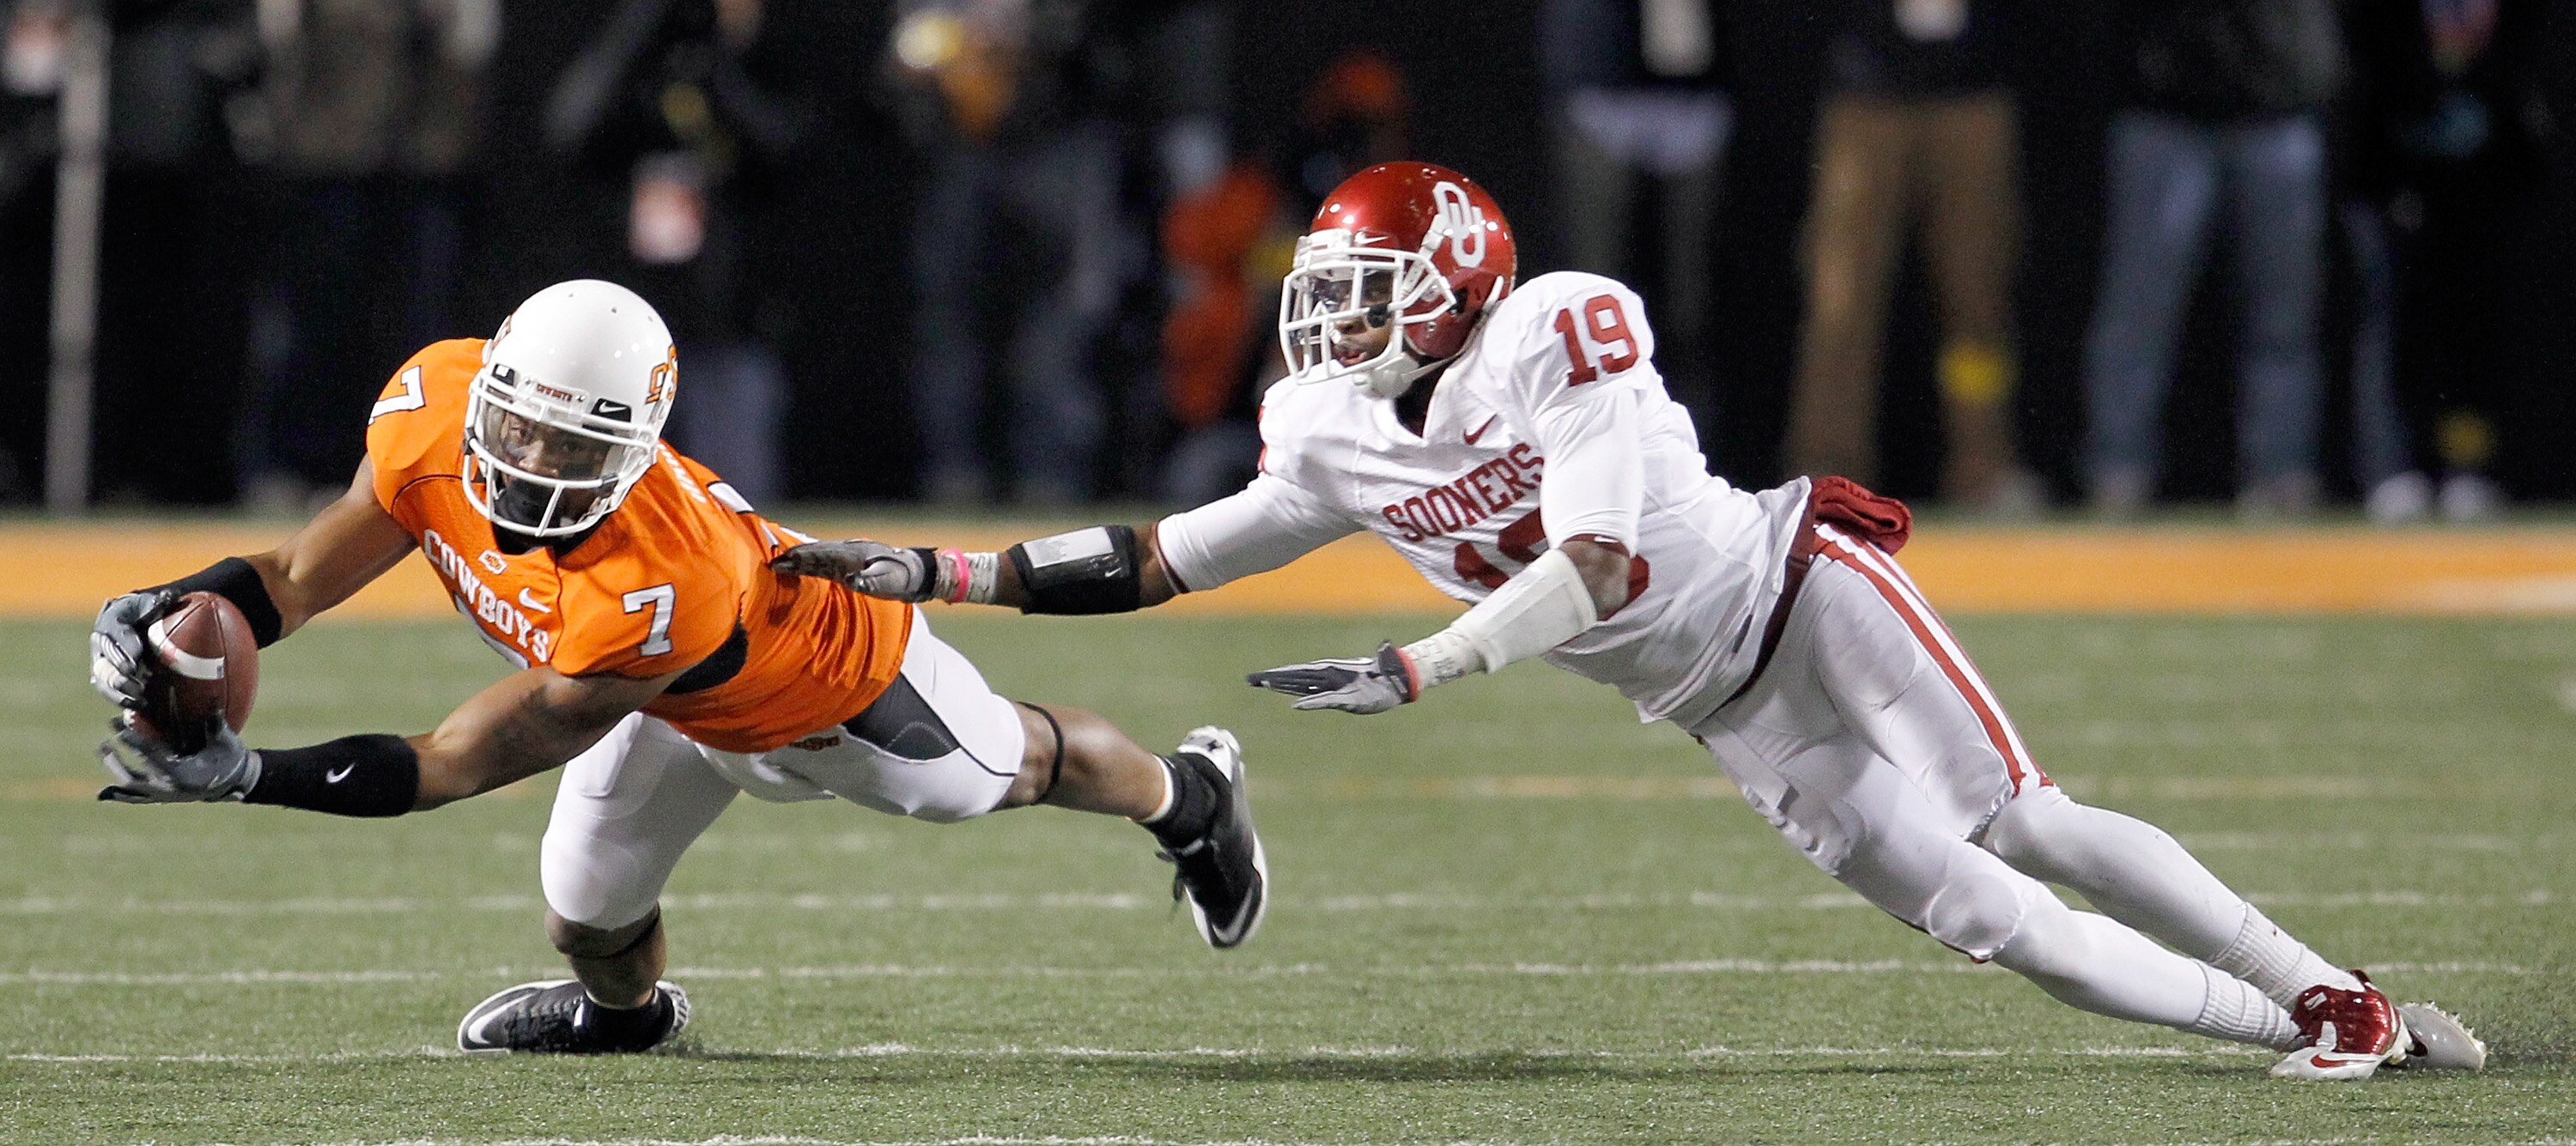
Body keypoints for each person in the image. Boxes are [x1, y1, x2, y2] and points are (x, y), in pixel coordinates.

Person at [776, 163, 2484, 1081]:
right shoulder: (1335, 433)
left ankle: (2332, 986)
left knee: (2018, 813)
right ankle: (2313, 1037)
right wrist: (944, 574)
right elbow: (1165, 553)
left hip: (1794, 593)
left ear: (1454, 275)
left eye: (1359, 288)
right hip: (1726, 709)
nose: (1329, 321)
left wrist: (1425, 660)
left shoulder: (1560, 324)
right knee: (1990, 921)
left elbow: (1598, 566)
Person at [84, 281, 1267, 1055]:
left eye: (575, 443)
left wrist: (253, 778)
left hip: (835, 688)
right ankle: (631, 1021)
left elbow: (460, 757)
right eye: (522, 423)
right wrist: (173, 610)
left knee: (1002, 770)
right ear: (486, 387)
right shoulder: (432, 405)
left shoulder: (658, 577)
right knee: (584, 919)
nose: (534, 461)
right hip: (664, 698)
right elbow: (293, 574)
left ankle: (1191, 796)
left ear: (636, 449)